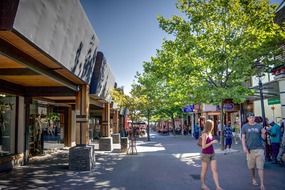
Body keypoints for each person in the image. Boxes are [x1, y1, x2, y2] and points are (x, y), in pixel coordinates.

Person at [242, 112, 266, 190]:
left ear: (254, 117)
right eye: (250, 117)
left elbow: (263, 138)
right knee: (251, 167)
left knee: (260, 167)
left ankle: (262, 184)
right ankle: (253, 178)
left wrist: (263, 133)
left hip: (259, 149)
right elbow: (243, 138)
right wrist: (244, 147)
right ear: (247, 118)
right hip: (249, 150)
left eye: (253, 117)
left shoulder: (259, 126)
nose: (251, 118)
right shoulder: (245, 126)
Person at [200, 119, 223, 190]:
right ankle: (203, 185)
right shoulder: (204, 134)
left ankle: (218, 186)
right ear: (209, 126)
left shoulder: (210, 133)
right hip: (205, 154)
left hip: (212, 153)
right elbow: (203, 146)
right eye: (212, 125)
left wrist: (212, 142)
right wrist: (212, 142)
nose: (213, 126)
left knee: (215, 170)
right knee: (204, 170)